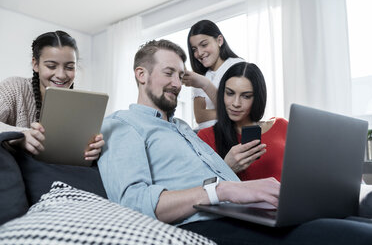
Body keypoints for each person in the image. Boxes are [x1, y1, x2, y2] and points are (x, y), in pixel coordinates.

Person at [98, 39, 372, 245]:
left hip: (248, 216)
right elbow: (132, 204)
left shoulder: (182, 129)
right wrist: (222, 191)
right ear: (141, 74)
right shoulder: (121, 124)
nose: (177, 84)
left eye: (180, 76)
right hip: (209, 226)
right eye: (168, 73)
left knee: (359, 214)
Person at [0, 31, 104, 161]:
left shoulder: (80, 105)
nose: (61, 74)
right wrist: (20, 136)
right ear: (35, 64)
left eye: (70, 67)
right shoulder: (14, 88)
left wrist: (93, 150)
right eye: (51, 66)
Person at [198, 62, 287, 181]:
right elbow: (200, 189)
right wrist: (227, 167)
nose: (236, 103)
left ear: (257, 98)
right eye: (230, 93)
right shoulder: (206, 137)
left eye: (246, 96)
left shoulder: (282, 126)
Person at [182, 20, 244, 130]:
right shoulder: (201, 76)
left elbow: (238, 111)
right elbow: (200, 116)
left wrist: (205, 84)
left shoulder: (237, 66)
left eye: (204, 45)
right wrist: (225, 112)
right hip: (205, 136)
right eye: (194, 49)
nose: (199, 53)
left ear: (219, 40)